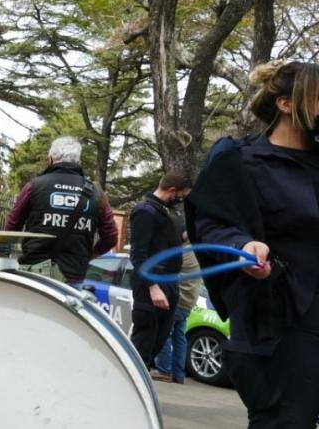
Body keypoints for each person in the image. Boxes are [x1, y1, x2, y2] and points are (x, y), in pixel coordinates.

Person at [187, 60, 319, 427]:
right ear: (286, 104)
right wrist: (243, 246)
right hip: (278, 323)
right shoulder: (239, 160)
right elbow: (211, 222)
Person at [5, 136, 119, 287]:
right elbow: (111, 237)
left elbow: (11, 227)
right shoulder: (96, 193)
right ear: (79, 163)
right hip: (73, 278)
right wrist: (88, 256)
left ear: (50, 159)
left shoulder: (34, 186)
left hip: (34, 274)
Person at [128, 171, 191, 377]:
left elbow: (172, 239)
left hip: (170, 282)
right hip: (152, 285)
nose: (182, 199)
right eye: (182, 194)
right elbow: (138, 255)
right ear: (172, 191)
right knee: (143, 343)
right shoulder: (145, 211)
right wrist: (153, 287)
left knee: (159, 340)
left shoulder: (169, 212)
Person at [153, 235, 201, 384]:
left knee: (165, 332)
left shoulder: (183, 251)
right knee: (179, 336)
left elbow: (164, 266)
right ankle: (179, 374)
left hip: (177, 298)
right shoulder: (197, 252)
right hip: (189, 301)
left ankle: (164, 370)